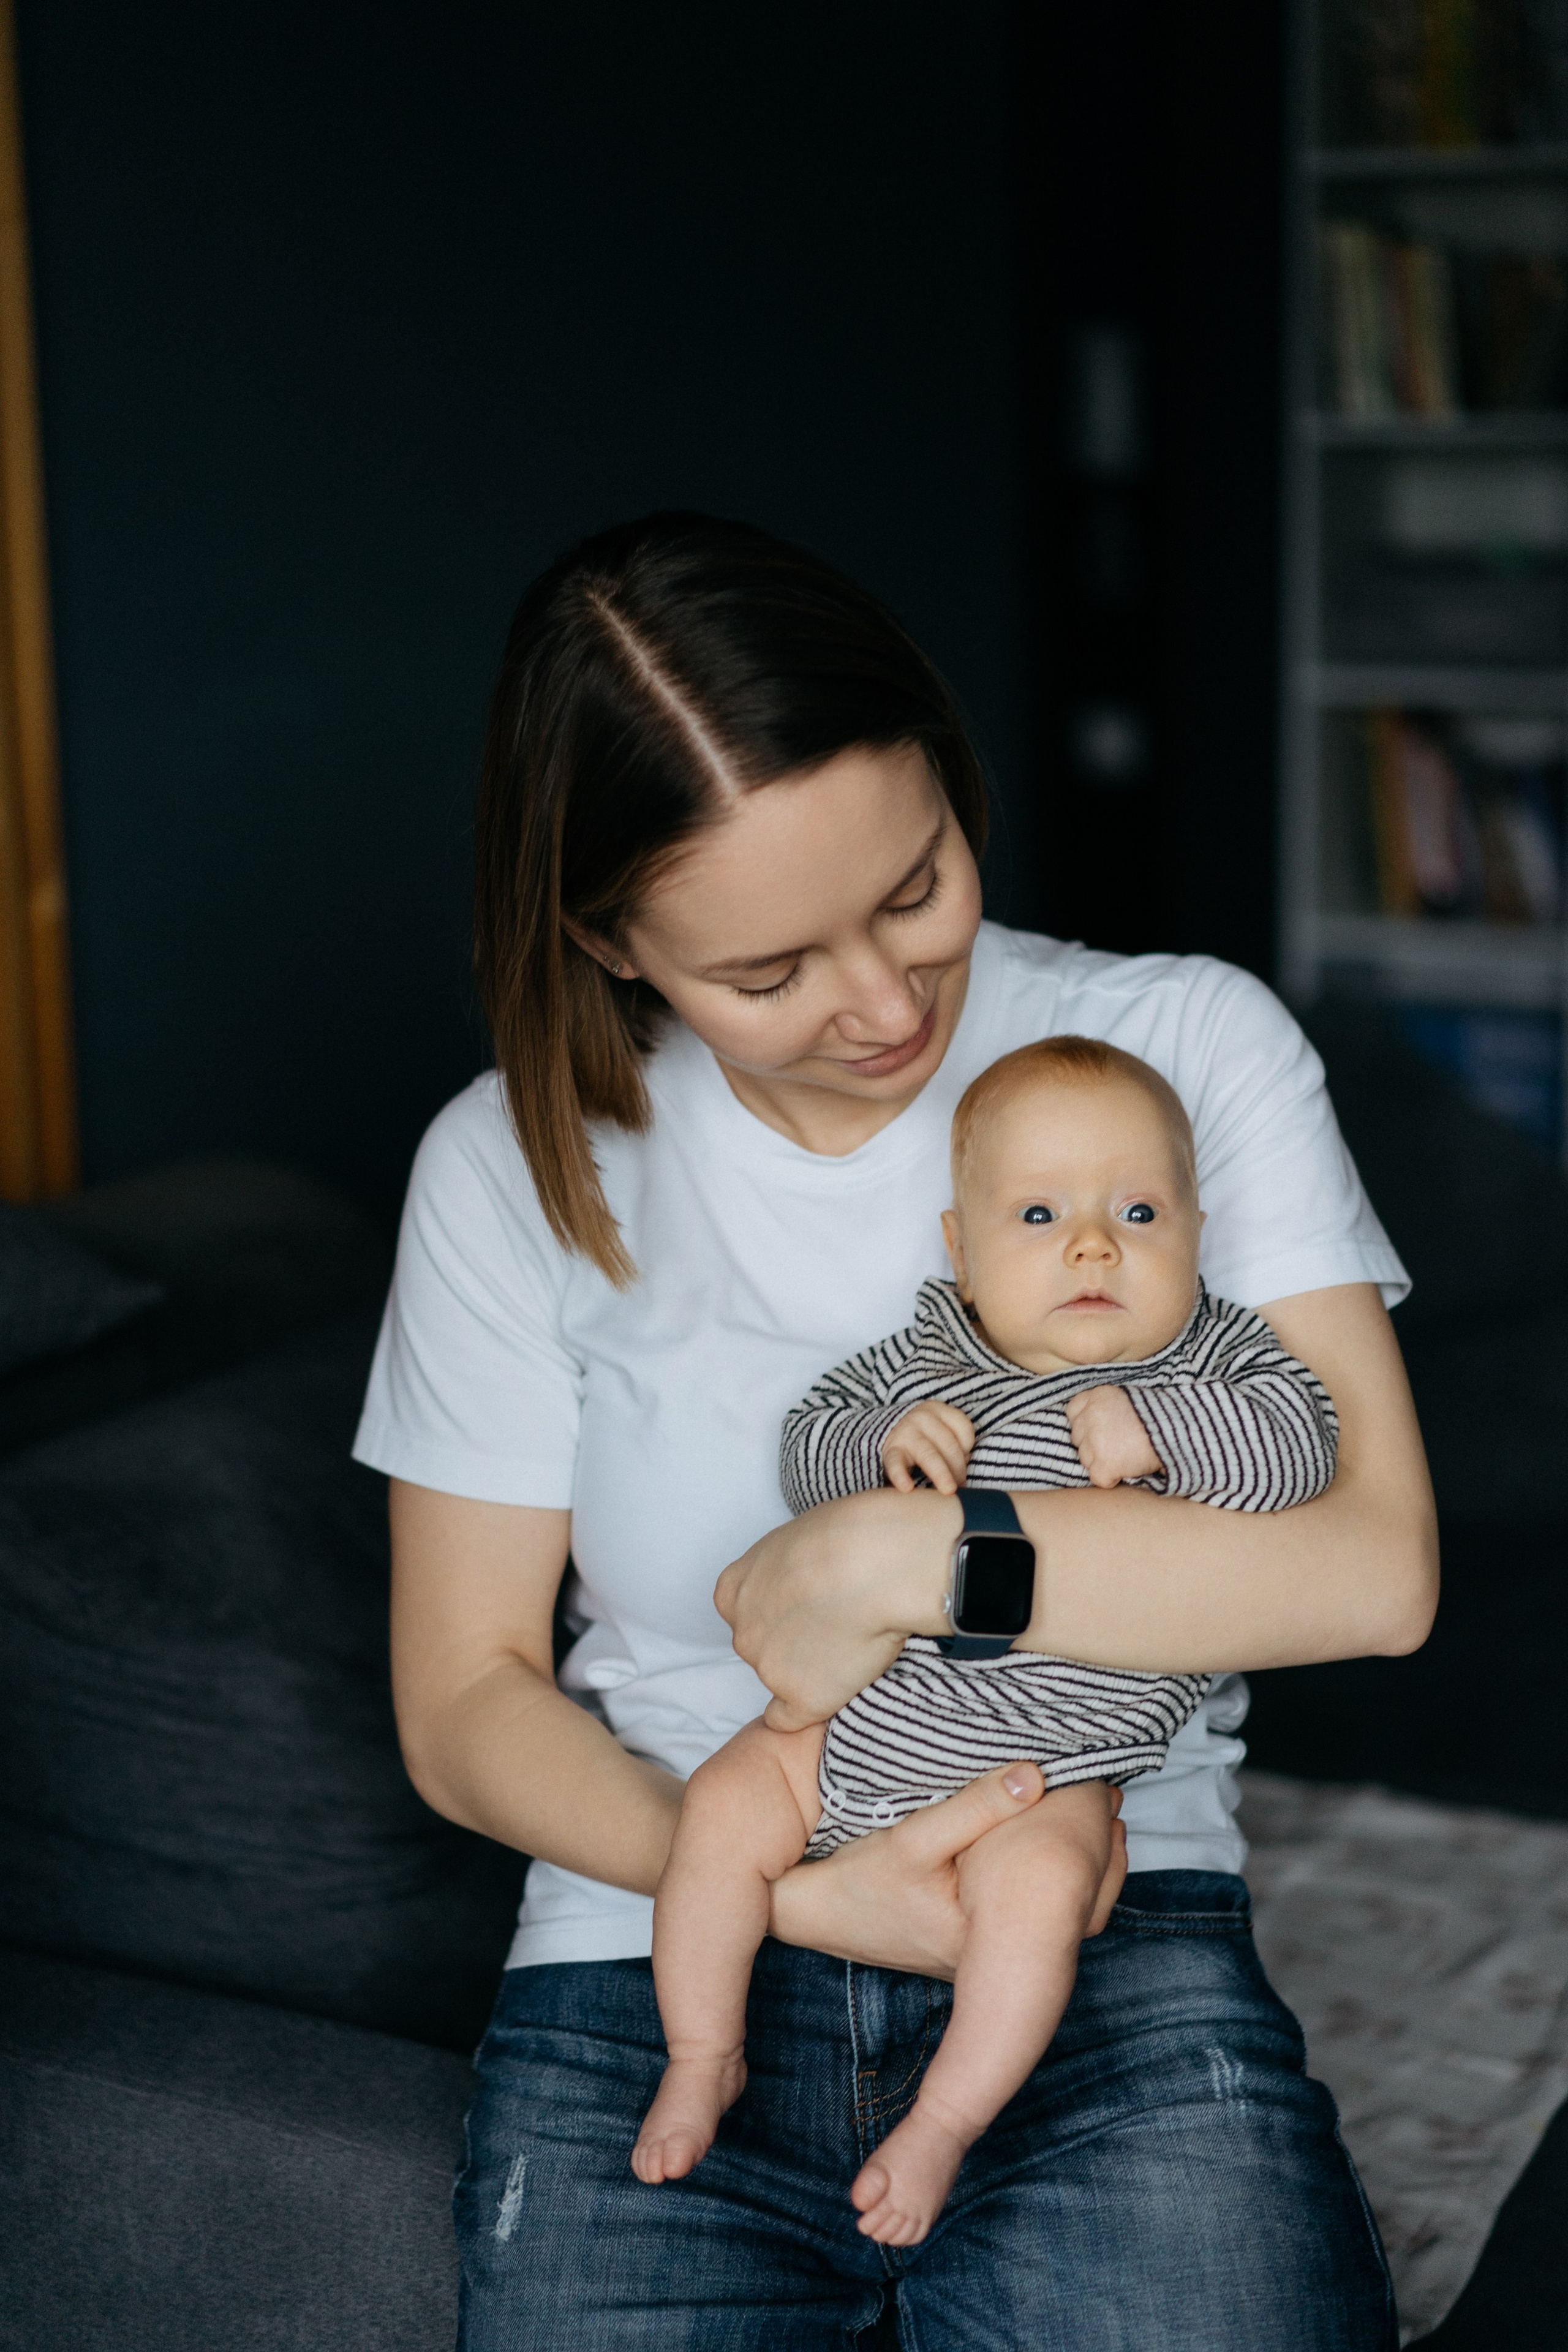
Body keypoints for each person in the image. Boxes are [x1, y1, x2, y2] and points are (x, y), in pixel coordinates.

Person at [356, 511, 1434, 2350]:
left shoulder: (1181, 1048)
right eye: (767, 975)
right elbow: (464, 1707)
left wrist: (904, 1553)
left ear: (946, 766)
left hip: (1097, 1906)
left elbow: (1370, 1570)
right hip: (653, 1931)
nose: (881, 1007)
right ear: (610, 939)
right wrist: (791, 1886)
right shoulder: (506, 1167)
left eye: (916, 885)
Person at [631, 1034, 1341, 2250]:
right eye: (1035, 1213)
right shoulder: (931, 1358)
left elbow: (1302, 1449)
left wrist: (1162, 1427)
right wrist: (879, 1445)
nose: (1090, 1244)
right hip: (856, 1720)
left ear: (1195, 1233)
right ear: (959, 1253)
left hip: (1049, 1773)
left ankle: (945, 2122)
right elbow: (809, 1441)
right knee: (718, 1811)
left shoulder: (1212, 1359)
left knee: (1043, 1896)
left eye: (1136, 1211)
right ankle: (703, 2053)